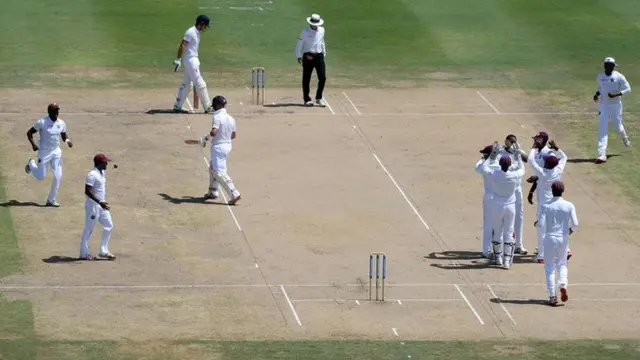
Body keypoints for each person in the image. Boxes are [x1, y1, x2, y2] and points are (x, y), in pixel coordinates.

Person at [476, 142, 525, 269]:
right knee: (508, 232)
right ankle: (507, 261)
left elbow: (482, 168)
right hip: (510, 206)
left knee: (497, 230)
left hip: (497, 205)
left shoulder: (495, 174)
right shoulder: (514, 175)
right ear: (509, 165)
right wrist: (517, 155)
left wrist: (491, 156)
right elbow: (522, 169)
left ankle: (498, 257)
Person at [24, 103, 73, 207]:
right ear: (49, 112)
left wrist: (68, 141)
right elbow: (29, 133)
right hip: (44, 152)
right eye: (55, 111)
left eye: (57, 111)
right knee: (41, 176)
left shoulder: (61, 123)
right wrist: (33, 145)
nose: (57, 113)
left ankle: (51, 199)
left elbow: (63, 134)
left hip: (56, 152)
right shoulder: (42, 122)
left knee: (58, 176)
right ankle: (31, 163)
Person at [538, 181, 578, 306]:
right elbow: (575, 224)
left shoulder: (546, 205)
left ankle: (552, 296)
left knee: (549, 268)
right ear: (563, 191)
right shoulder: (569, 205)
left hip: (549, 237)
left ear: (552, 190)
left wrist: (539, 224)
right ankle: (563, 284)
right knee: (562, 264)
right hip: (563, 238)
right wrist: (570, 231)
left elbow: (540, 224)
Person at [528, 139, 568, 264]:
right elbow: (564, 157)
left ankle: (542, 255)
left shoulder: (543, 173)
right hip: (556, 202)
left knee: (541, 228)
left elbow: (530, 160)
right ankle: (564, 250)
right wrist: (557, 149)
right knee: (556, 226)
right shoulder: (558, 169)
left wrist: (533, 148)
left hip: (544, 205)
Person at [199, 95, 242, 205]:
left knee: (219, 172)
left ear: (217, 105)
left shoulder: (217, 116)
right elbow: (233, 135)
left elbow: (214, 132)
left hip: (218, 147)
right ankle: (213, 191)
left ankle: (234, 193)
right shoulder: (231, 118)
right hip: (227, 146)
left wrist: (205, 139)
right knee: (213, 167)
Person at [593, 57, 631, 164]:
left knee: (618, 126)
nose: (608, 67)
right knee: (602, 129)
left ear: (614, 66)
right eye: (607, 65)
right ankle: (602, 154)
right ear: (604, 66)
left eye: (610, 65)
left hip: (615, 106)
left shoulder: (619, 76)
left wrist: (616, 94)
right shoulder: (600, 76)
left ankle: (624, 137)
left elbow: (628, 88)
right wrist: (596, 94)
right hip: (603, 106)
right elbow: (601, 87)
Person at [172, 15, 213, 113]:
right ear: (201, 23)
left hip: (192, 60)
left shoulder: (197, 32)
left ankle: (177, 106)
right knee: (200, 83)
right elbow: (183, 44)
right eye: (205, 26)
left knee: (187, 85)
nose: (205, 28)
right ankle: (207, 107)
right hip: (191, 61)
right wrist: (178, 59)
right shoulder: (190, 32)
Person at [79, 154, 115, 261]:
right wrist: (99, 201)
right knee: (89, 229)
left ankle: (103, 251)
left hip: (102, 205)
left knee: (109, 225)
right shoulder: (92, 175)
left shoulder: (102, 172)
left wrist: (102, 202)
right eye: (105, 162)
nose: (107, 163)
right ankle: (83, 254)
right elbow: (87, 191)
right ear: (99, 163)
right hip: (93, 206)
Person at [499, 134, 529, 255]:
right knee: (503, 216)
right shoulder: (501, 152)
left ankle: (519, 245)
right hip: (505, 189)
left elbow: (527, 160)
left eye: (513, 142)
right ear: (506, 141)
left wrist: (518, 152)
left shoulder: (516, 150)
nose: (511, 144)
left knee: (519, 216)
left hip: (517, 188)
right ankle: (501, 244)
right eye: (510, 142)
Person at [295, 13, 327, 107]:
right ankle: (307, 99)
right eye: (314, 24)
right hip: (308, 56)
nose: (315, 25)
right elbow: (299, 44)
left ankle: (319, 98)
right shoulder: (305, 32)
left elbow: (322, 41)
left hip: (319, 56)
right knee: (306, 78)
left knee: (322, 77)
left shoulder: (322, 30)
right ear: (310, 23)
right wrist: (298, 56)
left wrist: (324, 52)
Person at [475, 144, 499, 258]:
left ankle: (486, 250)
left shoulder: (484, 167)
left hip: (489, 197)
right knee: (501, 225)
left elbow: (477, 167)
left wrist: (487, 159)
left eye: (484, 154)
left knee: (488, 224)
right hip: (502, 198)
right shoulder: (500, 165)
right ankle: (500, 251)